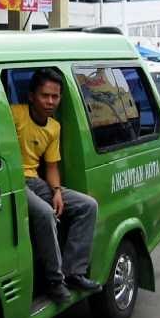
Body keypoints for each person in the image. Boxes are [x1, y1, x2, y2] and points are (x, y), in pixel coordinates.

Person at [10, 68, 100, 303]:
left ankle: (74, 272)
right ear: (31, 96)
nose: (50, 101)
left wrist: (57, 192)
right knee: (45, 214)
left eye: (55, 96)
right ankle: (54, 281)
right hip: (12, 181)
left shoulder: (54, 127)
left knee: (87, 206)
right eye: (45, 95)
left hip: (34, 181)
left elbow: (51, 166)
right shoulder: (15, 114)